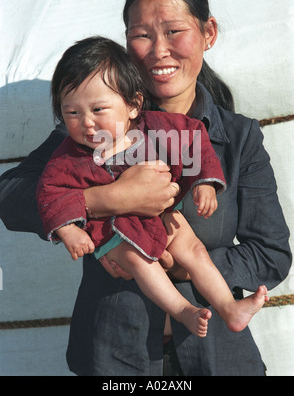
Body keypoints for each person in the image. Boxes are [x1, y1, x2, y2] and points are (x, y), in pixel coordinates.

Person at [0, 0, 291, 376]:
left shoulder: (240, 138)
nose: (158, 51)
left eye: (174, 31)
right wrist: (105, 200)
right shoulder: (93, 126)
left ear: (208, 33)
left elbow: (271, 255)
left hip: (219, 359)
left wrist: (177, 262)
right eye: (141, 35)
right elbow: (10, 198)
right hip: (116, 354)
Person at [37, 35, 268, 339]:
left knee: (193, 248)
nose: (88, 123)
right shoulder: (69, 156)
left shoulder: (154, 128)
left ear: (132, 104)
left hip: (161, 217)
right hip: (115, 233)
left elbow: (193, 138)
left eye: (98, 109)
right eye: (73, 113)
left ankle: (229, 306)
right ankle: (182, 311)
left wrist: (205, 182)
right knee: (141, 263)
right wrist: (69, 230)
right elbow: (48, 193)